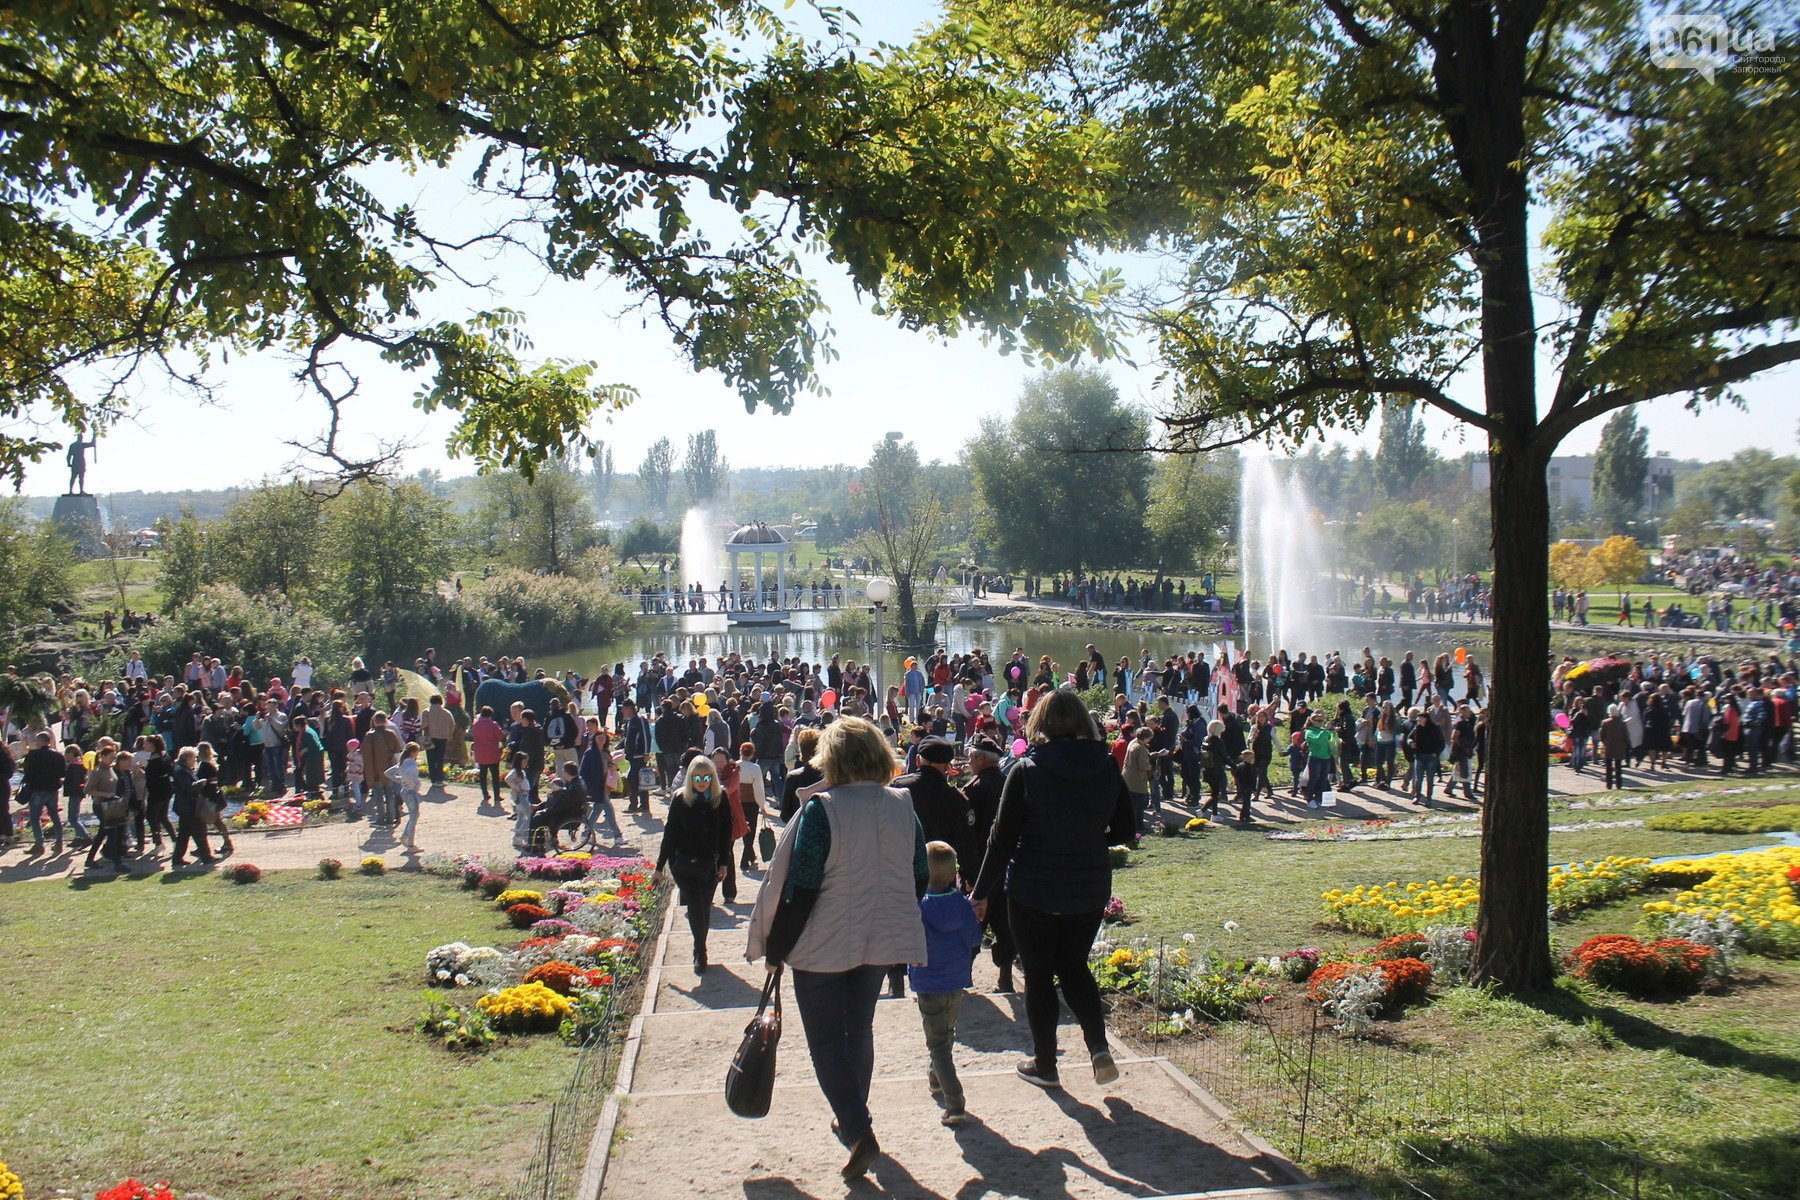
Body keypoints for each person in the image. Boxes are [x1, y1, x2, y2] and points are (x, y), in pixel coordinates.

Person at [749, 716, 927, 1183]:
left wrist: (776, 948)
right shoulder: (903, 804)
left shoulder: (822, 808)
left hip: (823, 944)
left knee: (826, 1042)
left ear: (834, 758)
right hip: (879, 937)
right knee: (859, 1032)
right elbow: (920, 872)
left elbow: (800, 889)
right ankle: (853, 1115)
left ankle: (857, 1127)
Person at [971, 689, 1134, 1092]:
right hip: (1087, 884)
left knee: (1040, 975)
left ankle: (1046, 1064)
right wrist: (1087, 835)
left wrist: (980, 892)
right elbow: (1126, 830)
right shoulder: (1105, 766)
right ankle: (1098, 1046)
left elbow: (1001, 841)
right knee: (1075, 966)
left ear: (1038, 724)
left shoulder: (1025, 769)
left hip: (1033, 886)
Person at [910, 840, 984, 1127]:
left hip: (929, 983)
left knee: (937, 1043)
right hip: (956, 982)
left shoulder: (917, 906)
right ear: (954, 872)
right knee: (947, 1033)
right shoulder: (960, 904)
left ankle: (955, 1103)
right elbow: (974, 938)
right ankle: (936, 1076)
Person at [658, 755, 733, 974]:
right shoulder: (681, 798)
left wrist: (725, 863)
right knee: (695, 903)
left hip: (710, 862)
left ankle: (699, 944)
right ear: (690, 777)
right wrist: (659, 865)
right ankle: (700, 951)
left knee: (704, 905)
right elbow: (670, 833)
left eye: (706, 777)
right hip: (683, 862)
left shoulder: (721, 797)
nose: (702, 781)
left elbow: (726, 832)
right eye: (697, 777)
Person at [21, 731, 67, 854]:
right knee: (55, 817)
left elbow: (27, 773)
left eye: (36, 740)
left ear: (40, 741)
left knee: (35, 817)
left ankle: (39, 844)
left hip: (38, 790)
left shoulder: (33, 755)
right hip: (52, 790)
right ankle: (59, 843)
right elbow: (63, 773)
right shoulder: (58, 756)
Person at [169, 745, 215, 868]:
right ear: (187, 758)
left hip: (186, 806)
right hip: (188, 806)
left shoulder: (184, 769)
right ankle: (206, 857)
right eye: (194, 758)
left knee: (184, 834)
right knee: (199, 831)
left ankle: (177, 858)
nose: (196, 760)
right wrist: (201, 783)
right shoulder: (181, 771)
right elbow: (189, 787)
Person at [578, 720, 622, 847]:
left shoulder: (606, 753)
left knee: (597, 810)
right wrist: (588, 785)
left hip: (605, 786)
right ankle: (617, 836)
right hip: (596, 786)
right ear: (595, 739)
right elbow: (583, 771)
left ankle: (586, 833)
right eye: (599, 738)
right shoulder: (590, 753)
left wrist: (614, 767)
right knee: (609, 810)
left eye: (603, 738)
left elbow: (611, 766)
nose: (601, 740)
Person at [735, 741, 767, 871]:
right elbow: (758, 789)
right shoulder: (755, 768)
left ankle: (751, 855)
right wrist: (762, 805)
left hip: (737, 801)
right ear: (752, 753)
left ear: (740, 752)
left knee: (742, 827)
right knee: (751, 829)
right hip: (751, 802)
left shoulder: (734, 766)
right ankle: (745, 859)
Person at [387, 741, 424, 848]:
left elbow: (388, 773)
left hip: (404, 791)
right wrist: (415, 785)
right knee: (413, 818)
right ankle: (409, 842)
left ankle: (406, 837)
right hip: (411, 792)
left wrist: (400, 780)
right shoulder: (411, 763)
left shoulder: (402, 762)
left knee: (415, 815)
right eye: (417, 752)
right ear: (413, 752)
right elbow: (409, 774)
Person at [469, 705, 506, 806]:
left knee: (483, 775)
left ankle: (485, 794)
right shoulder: (493, 724)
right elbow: (501, 736)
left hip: (480, 752)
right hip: (492, 753)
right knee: (495, 775)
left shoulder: (475, 725)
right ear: (490, 715)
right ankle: (497, 795)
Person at [420, 695, 456, 786]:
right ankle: (440, 779)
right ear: (441, 701)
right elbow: (452, 724)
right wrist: (449, 735)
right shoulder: (447, 712)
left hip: (430, 738)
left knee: (431, 759)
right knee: (440, 758)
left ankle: (433, 780)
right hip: (442, 737)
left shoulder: (426, 712)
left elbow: (424, 726)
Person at [1599, 704, 1631, 790]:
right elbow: (1626, 736)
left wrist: (1604, 742)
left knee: (1608, 767)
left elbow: (1601, 735)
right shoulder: (1622, 723)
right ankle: (1619, 784)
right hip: (1619, 747)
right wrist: (1626, 745)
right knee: (1618, 767)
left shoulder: (1605, 722)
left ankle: (1609, 785)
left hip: (1608, 747)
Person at [506, 751, 533, 849]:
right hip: (520, 796)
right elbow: (507, 779)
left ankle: (516, 839)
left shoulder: (520, 771)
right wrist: (516, 787)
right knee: (530, 816)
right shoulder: (515, 771)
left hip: (523, 795)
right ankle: (518, 835)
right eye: (524, 761)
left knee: (520, 817)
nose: (526, 763)